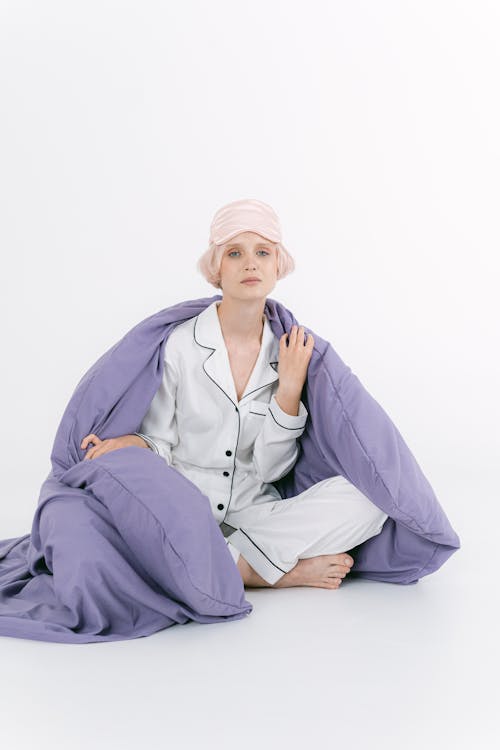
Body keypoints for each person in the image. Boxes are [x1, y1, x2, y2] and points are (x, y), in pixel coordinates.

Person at [80, 199, 389, 590]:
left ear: (278, 265)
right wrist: (130, 443)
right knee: (127, 531)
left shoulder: (289, 349)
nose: (250, 263)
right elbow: (161, 441)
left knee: (370, 499)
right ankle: (273, 573)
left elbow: (271, 470)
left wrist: (290, 390)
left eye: (263, 252)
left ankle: (225, 562)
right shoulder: (179, 344)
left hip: (254, 509)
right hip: (185, 507)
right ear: (216, 269)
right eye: (235, 253)